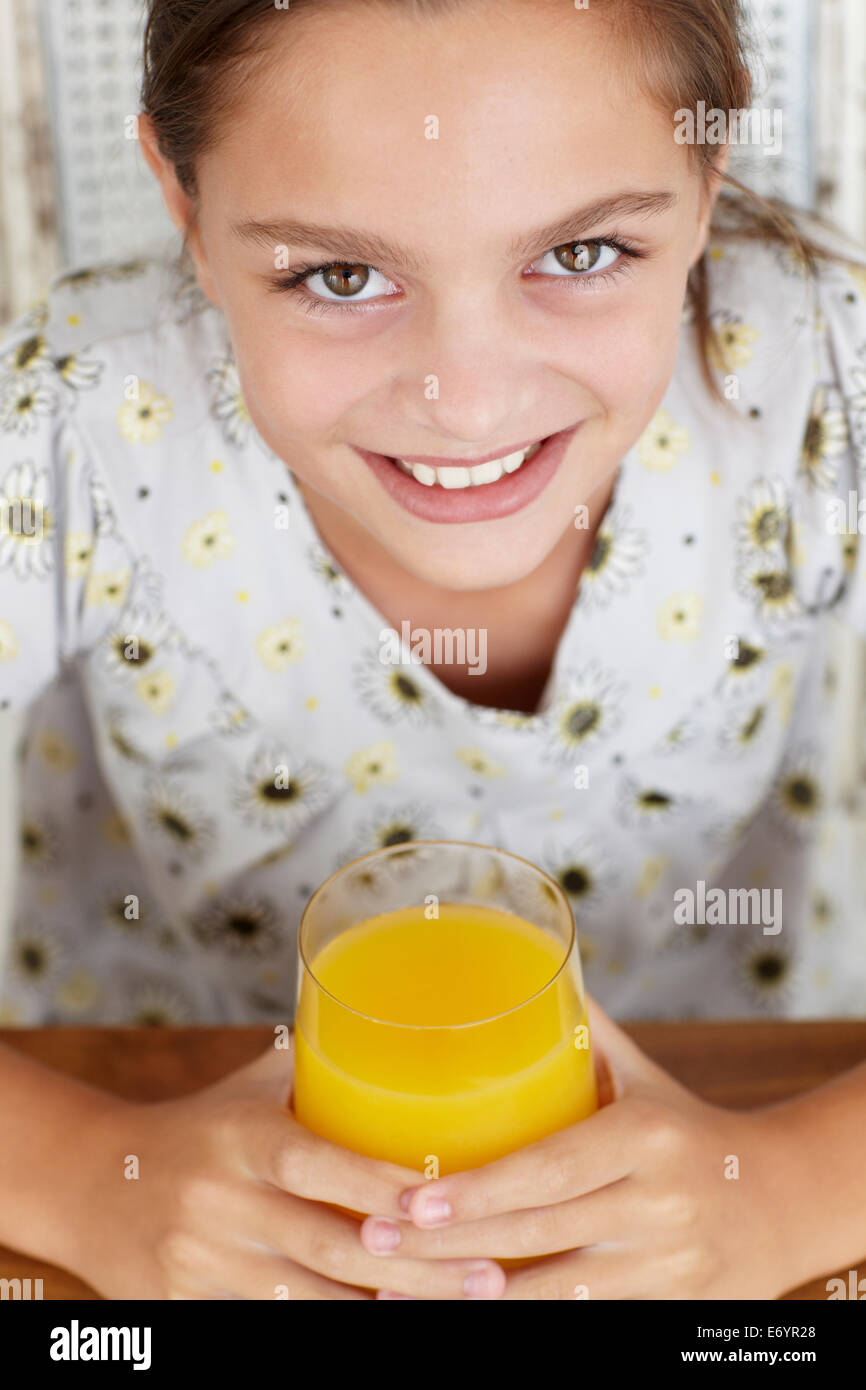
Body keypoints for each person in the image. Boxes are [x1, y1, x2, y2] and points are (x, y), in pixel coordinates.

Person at [0, 0, 864, 1300]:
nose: (464, 400)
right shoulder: (81, 424)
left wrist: (790, 1189)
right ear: (181, 199)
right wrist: (90, 1176)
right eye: (337, 277)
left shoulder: (814, 378)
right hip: (180, 1125)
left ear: (705, 177)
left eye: (578, 252)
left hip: (727, 1100)